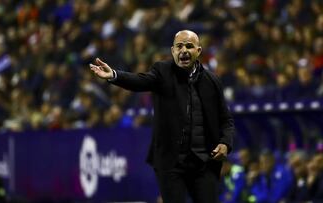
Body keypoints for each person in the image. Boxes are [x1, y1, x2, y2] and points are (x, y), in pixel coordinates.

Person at [90, 30, 235, 203]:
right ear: (172, 51)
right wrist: (114, 75)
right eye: (179, 46)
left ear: (199, 51)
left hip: (203, 163)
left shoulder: (212, 81)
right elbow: (140, 81)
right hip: (171, 163)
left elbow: (226, 120)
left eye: (189, 46)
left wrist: (225, 143)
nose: (184, 51)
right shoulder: (162, 71)